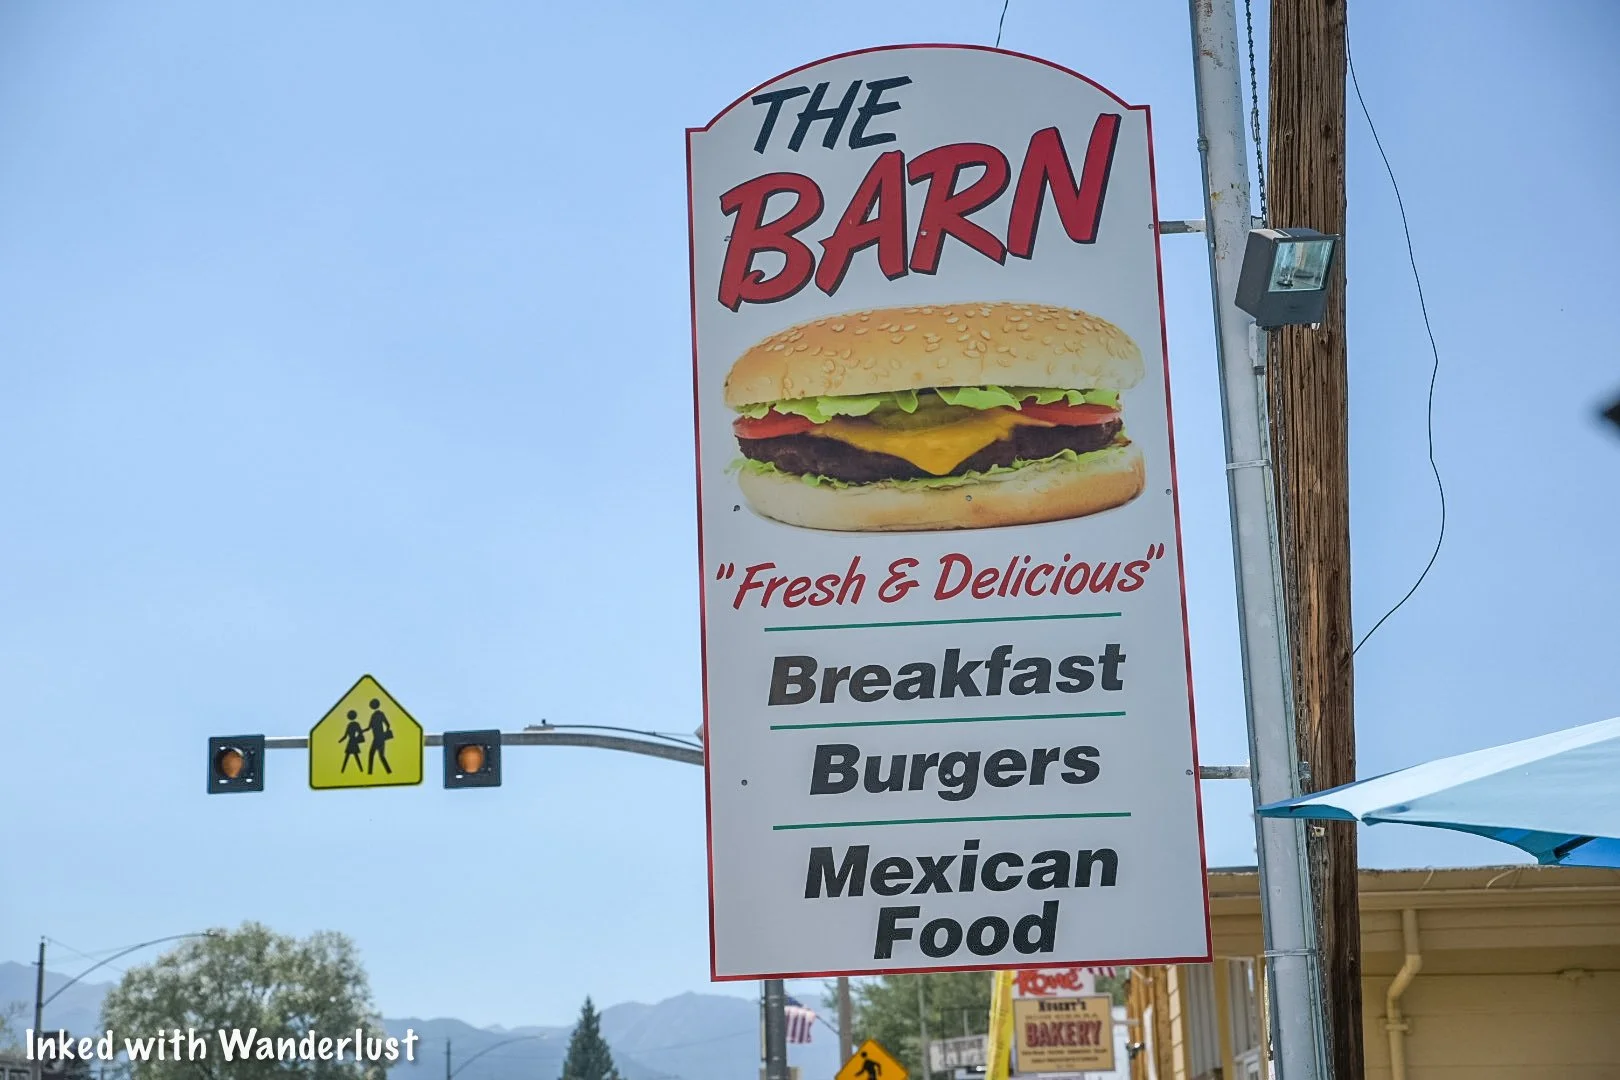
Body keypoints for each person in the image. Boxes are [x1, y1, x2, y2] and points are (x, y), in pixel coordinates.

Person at [366, 699, 393, 775]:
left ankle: (370, 772)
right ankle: (388, 771)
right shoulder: (377, 715)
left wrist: (384, 734)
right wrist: (384, 734)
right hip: (378, 738)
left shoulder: (377, 715)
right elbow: (387, 725)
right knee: (380, 756)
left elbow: (369, 728)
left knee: (373, 754)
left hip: (378, 739)